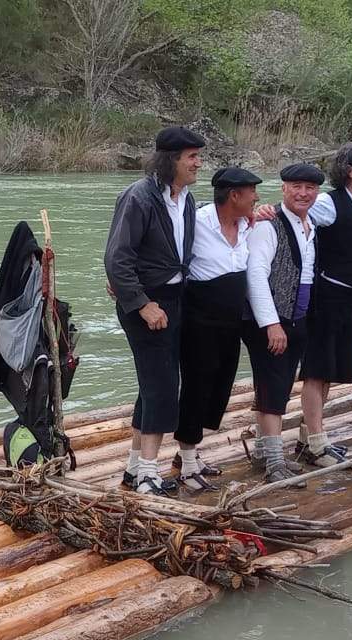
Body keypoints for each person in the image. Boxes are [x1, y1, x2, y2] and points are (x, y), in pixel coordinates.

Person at [104, 126, 204, 495]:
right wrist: (142, 303)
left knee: (152, 385)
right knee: (162, 387)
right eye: (191, 157)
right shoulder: (139, 197)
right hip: (146, 304)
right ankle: (149, 474)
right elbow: (117, 259)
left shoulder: (186, 199)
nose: (198, 163)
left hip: (174, 301)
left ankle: (135, 470)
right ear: (171, 160)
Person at [173, 166, 265, 493]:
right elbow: (166, 251)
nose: (256, 198)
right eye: (252, 193)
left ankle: (190, 453)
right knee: (196, 387)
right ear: (234, 195)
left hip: (231, 321)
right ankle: (186, 463)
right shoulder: (196, 222)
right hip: (199, 320)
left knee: (219, 388)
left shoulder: (247, 224)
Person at [295, 141, 352, 467]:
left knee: (329, 371)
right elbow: (291, 214)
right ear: (349, 171)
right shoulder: (328, 204)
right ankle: (317, 444)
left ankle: (308, 439)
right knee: (316, 371)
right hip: (325, 297)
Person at [241, 162, 322, 482]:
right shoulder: (267, 223)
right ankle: (275, 462)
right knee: (272, 389)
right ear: (283, 188)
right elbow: (255, 276)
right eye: (296, 187)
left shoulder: (311, 224)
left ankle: (263, 452)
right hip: (270, 321)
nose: (303, 193)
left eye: (310, 188)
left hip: (296, 317)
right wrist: (271, 324)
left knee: (279, 385)